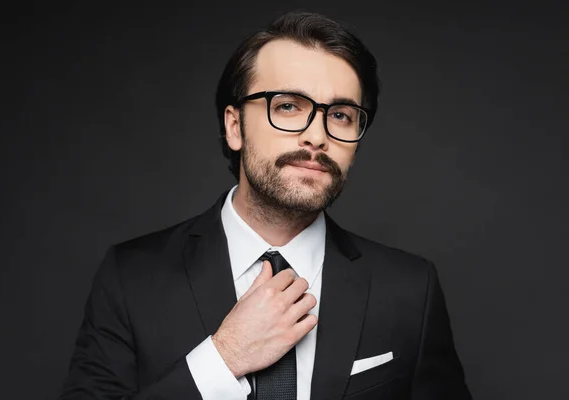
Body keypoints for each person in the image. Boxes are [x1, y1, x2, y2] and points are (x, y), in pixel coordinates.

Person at [60, 11, 472, 400]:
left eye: (342, 115)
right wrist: (224, 358)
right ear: (234, 126)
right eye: (288, 107)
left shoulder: (410, 290)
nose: (317, 136)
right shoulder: (131, 277)